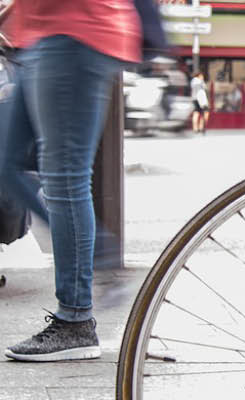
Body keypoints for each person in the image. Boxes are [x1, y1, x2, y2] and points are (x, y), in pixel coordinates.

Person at [0, 0, 141, 361]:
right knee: (7, 165)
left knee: (64, 179)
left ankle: (76, 320)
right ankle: (98, 255)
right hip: (39, 38)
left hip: (74, 35)